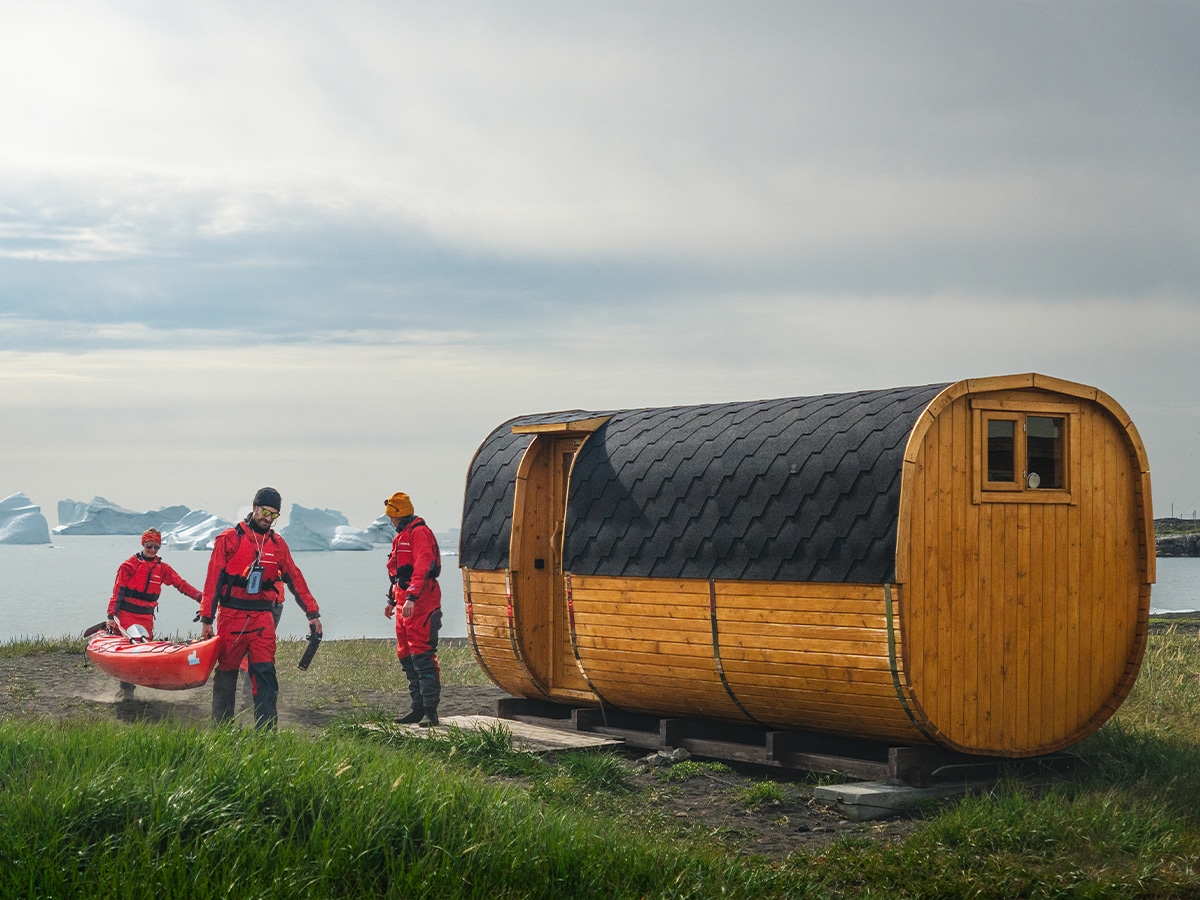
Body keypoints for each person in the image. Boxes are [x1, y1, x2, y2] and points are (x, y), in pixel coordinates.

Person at [199, 487, 322, 728]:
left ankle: (266, 733)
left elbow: (295, 579)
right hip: (231, 618)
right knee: (226, 676)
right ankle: (221, 730)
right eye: (266, 511)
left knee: (266, 675)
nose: (269, 518)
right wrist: (206, 620)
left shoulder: (277, 544)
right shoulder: (230, 539)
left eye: (274, 515)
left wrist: (313, 614)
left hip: (262, 619)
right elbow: (212, 581)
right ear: (254, 508)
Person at [106, 527, 203, 701]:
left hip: (146, 617)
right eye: (149, 546)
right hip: (127, 615)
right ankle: (126, 691)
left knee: (143, 652)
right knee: (132, 651)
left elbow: (180, 584)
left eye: (156, 547)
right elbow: (118, 592)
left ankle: (138, 684)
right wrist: (111, 616)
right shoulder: (128, 566)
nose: (152, 550)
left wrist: (200, 597)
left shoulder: (162, 568)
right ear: (143, 544)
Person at [383, 491, 443, 726]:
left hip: (421, 603)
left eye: (391, 517)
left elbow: (422, 567)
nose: (390, 522)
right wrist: (392, 600)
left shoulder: (419, 534)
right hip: (404, 602)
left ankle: (430, 712)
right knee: (407, 657)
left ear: (398, 516)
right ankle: (417, 709)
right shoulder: (403, 536)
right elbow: (398, 573)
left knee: (422, 656)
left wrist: (412, 598)